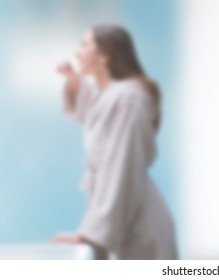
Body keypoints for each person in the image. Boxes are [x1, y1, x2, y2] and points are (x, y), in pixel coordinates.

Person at [52, 24, 177, 260]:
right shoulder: (114, 95)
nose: (78, 52)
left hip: (140, 226)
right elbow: (93, 114)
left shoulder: (128, 99)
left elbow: (120, 166)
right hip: (128, 220)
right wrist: (73, 79)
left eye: (84, 45)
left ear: (104, 55)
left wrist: (92, 235)